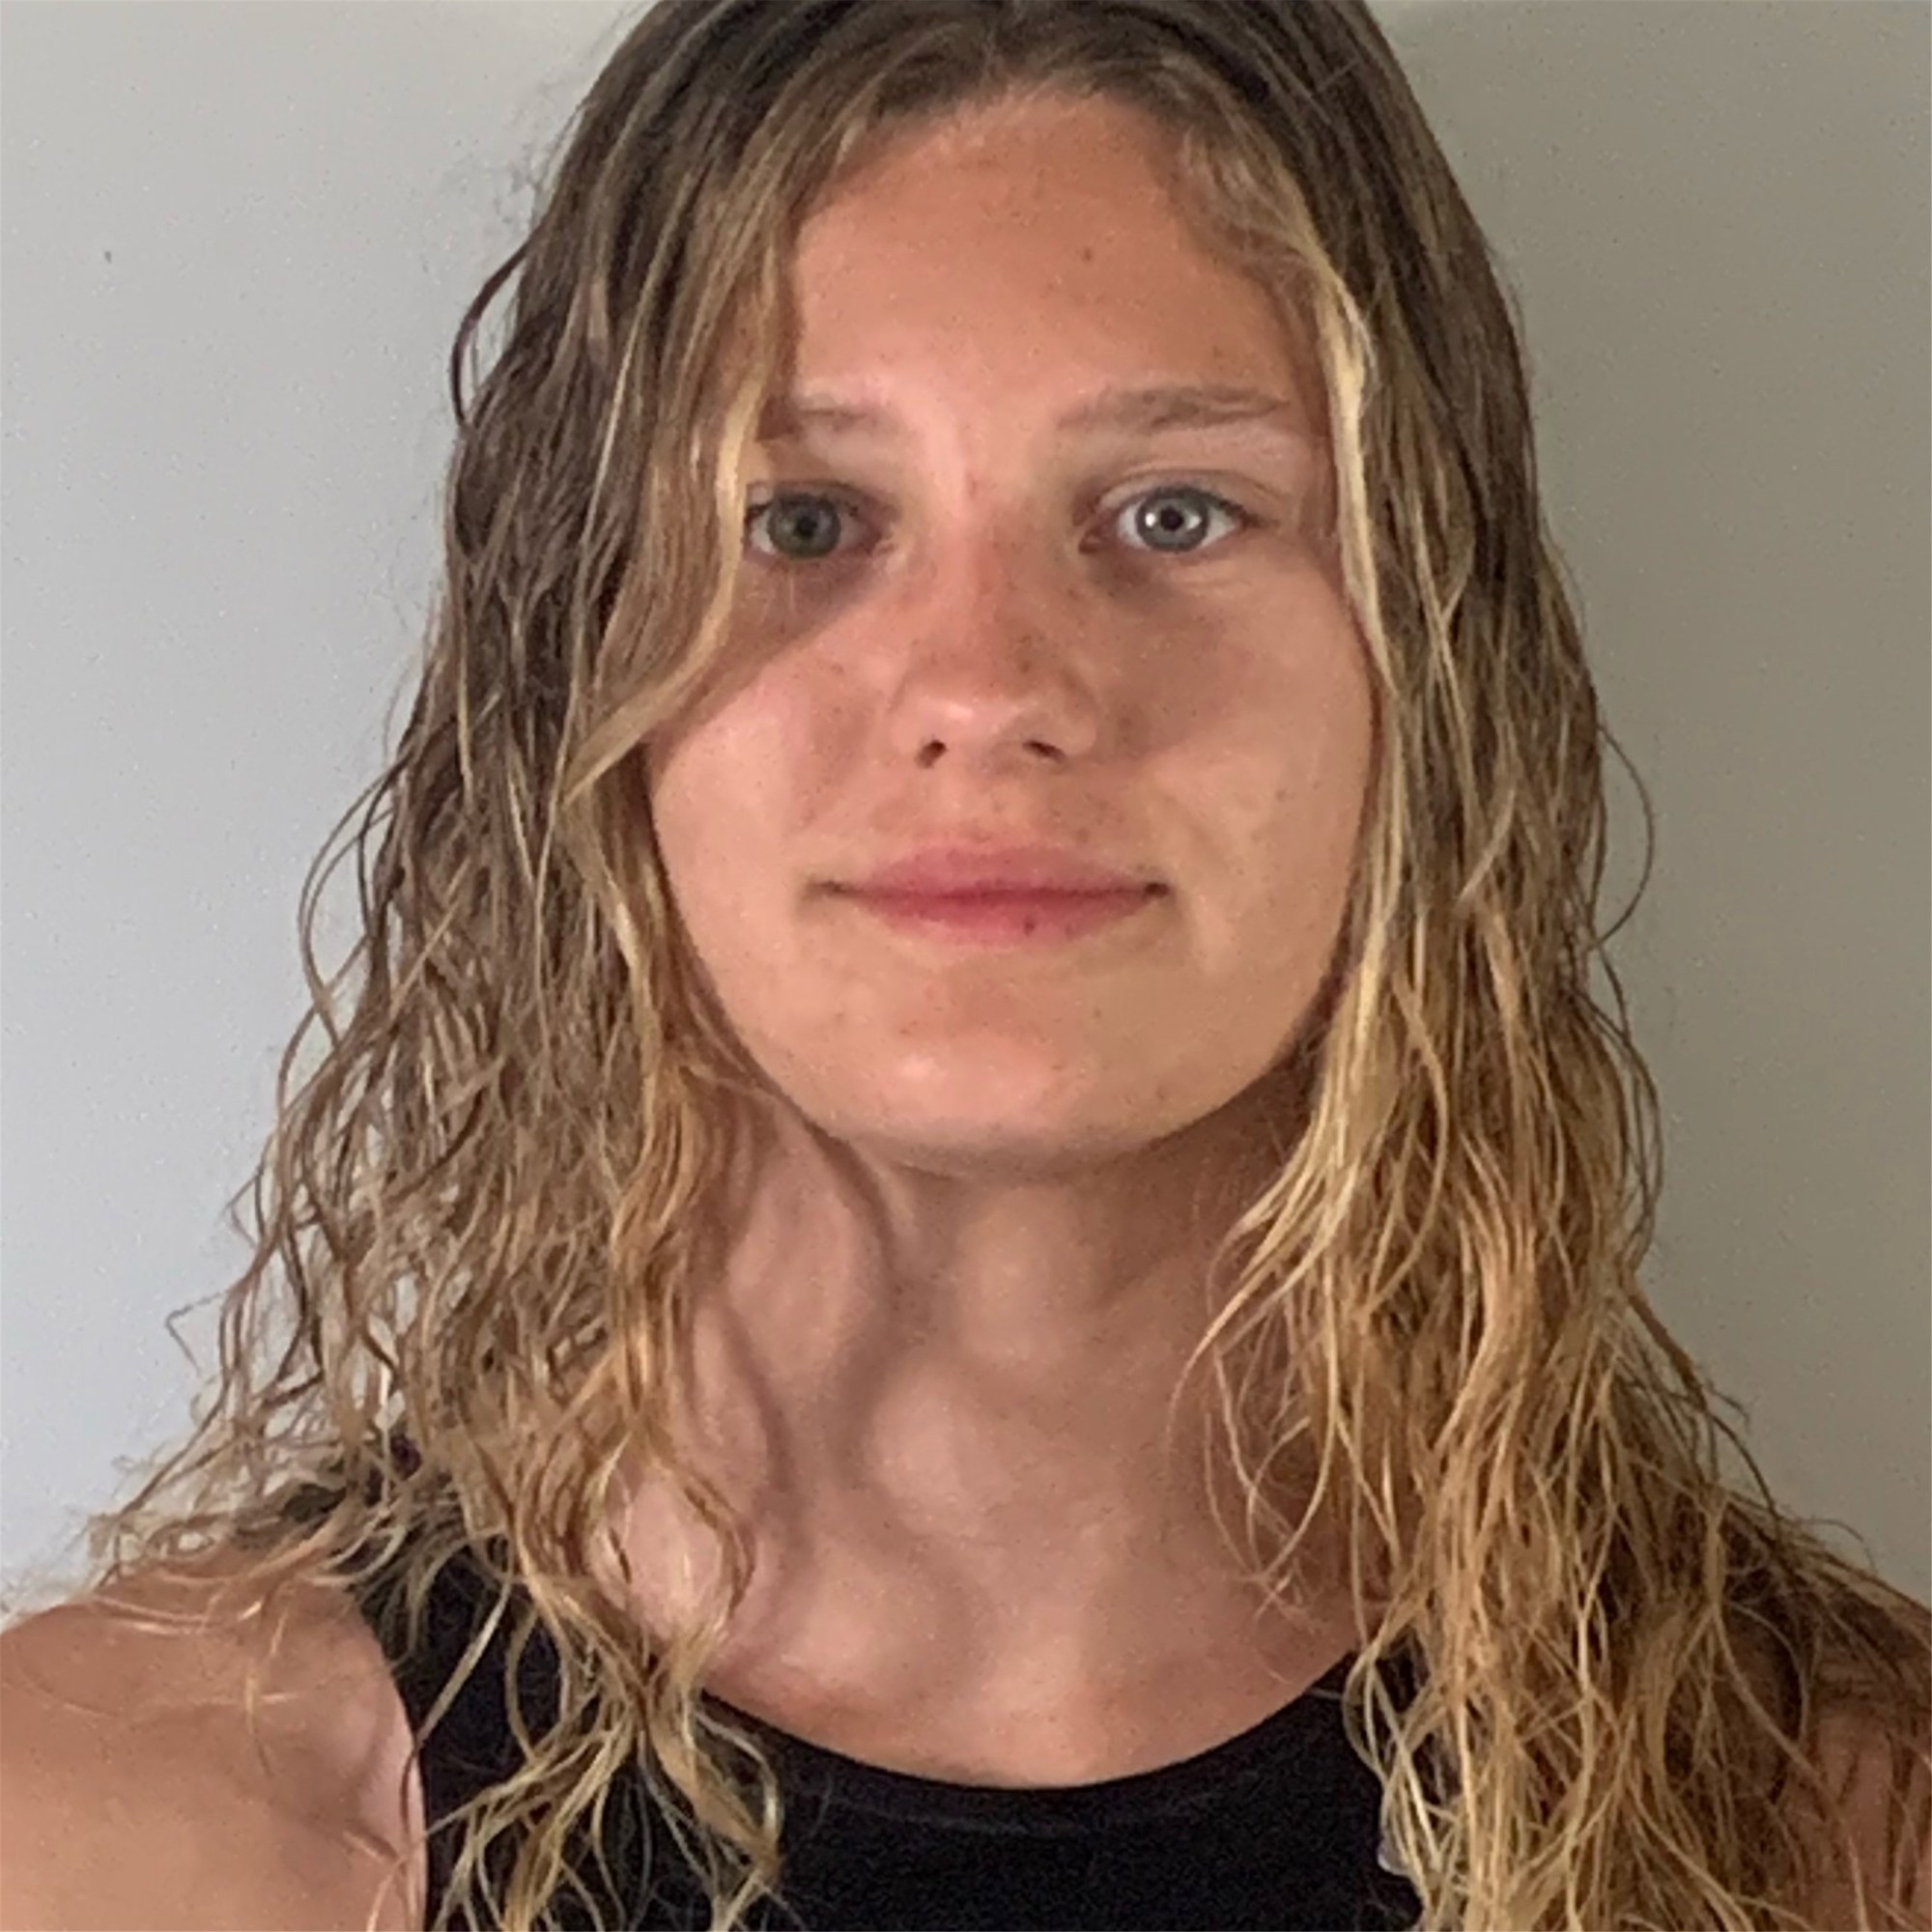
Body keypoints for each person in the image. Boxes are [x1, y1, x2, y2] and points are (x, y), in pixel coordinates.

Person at [2, 0, 1927, 1927]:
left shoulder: (1837, 1830)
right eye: (803, 520)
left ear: (1428, 659)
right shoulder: (117, 1834)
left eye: (1175, 512)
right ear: (570, 665)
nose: (992, 686)